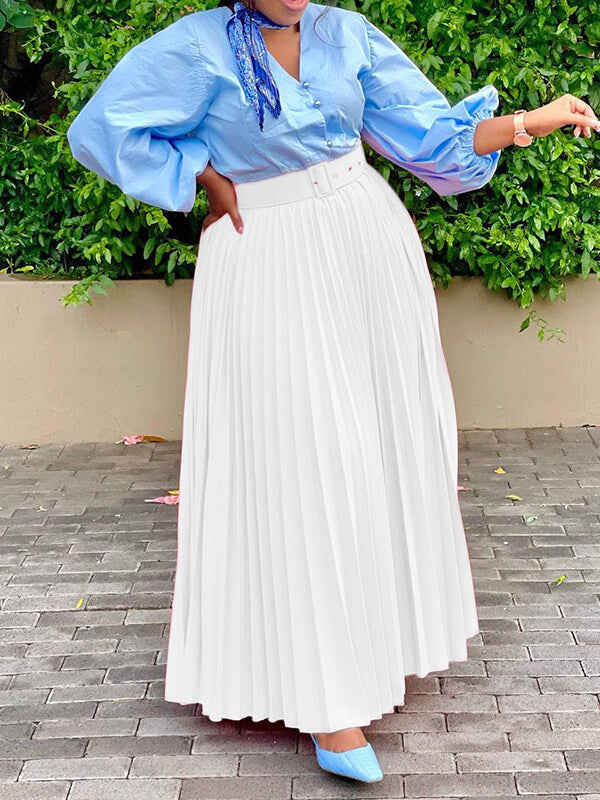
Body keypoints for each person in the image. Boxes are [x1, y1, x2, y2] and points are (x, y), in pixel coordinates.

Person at [66, 0, 598, 783]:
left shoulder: (345, 33)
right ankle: (328, 704)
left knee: (376, 450)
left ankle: (372, 648)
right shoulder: (192, 47)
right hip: (264, 255)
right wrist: (202, 176)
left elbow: (430, 138)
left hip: (366, 243)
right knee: (303, 461)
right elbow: (101, 130)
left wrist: (531, 121)